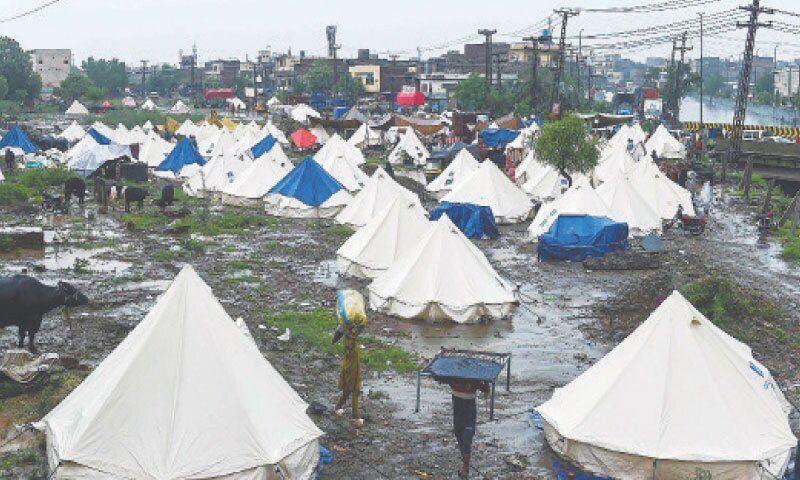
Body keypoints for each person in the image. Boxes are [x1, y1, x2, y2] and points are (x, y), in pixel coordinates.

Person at [333, 290, 366, 428]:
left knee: (348, 388)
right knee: (355, 388)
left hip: (348, 359)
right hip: (352, 360)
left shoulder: (344, 329)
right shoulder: (351, 334)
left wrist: (344, 329)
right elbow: (361, 326)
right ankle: (355, 416)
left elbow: (334, 339)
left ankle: (338, 407)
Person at [448, 379, 489, 479]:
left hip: (469, 411)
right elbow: (441, 377)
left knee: (466, 439)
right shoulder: (453, 374)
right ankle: (465, 464)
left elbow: (486, 389)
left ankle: (466, 468)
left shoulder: (474, 377)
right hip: (458, 410)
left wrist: (486, 381)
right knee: (459, 436)